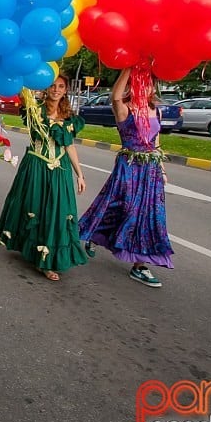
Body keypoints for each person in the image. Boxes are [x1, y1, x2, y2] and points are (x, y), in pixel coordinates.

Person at [79, 67, 173, 288]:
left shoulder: (155, 111)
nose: (145, 85)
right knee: (123, 208)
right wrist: (129, 68)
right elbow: (114, 95)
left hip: (150, 171)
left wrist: (162, 169)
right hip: (129, 167)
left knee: (149, 217)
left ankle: (140, 265)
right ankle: (96, 234)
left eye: (149, 82)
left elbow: (156, 142)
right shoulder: (124, 108)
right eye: (141, 81)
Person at [0, 75, 87, 281]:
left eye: (61, 86)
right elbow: (21, 91)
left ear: (66, 90)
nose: (56, 89)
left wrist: (79, 174)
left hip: (60, 169)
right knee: (35, 207)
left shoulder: (69, 116)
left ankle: (48, 258)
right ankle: (37, 255)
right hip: (36, 165)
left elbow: (69, 145)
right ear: (45, 87)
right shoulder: (35, 109)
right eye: (53, 85)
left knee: (57, 212)